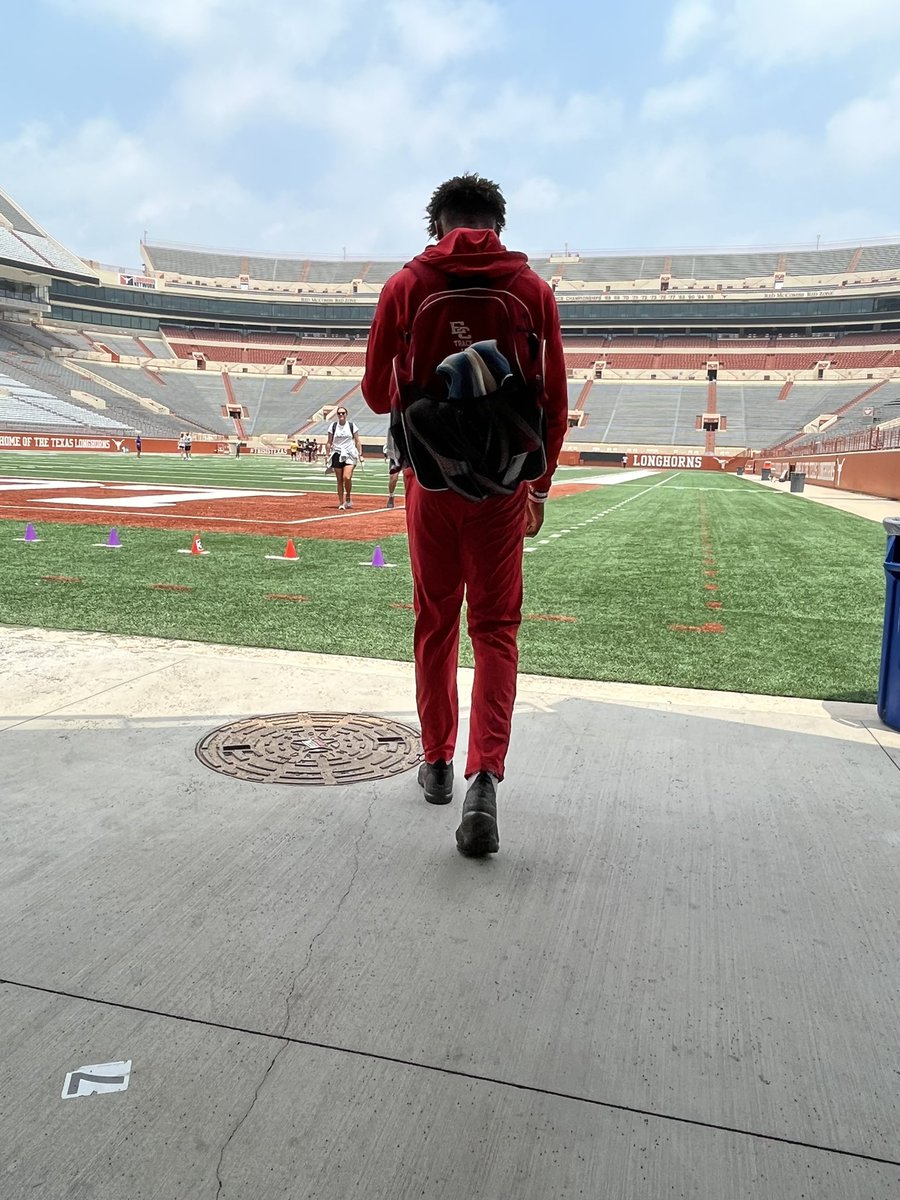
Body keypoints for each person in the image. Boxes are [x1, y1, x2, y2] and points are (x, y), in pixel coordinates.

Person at [362, 173, 567, 856]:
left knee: (435, 623)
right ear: (497, 226)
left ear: (437, 224)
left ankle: (438, 762)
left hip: (431, 485)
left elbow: (370, 392)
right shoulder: (532, 290)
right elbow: (553, 402)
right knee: (497, 630)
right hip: (502, 490)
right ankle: (485, 776)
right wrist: (537, 486)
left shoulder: (405, 284)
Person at [325, 407, 363, 509]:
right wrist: (327, 454)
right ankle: (341, 503)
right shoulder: (333, 426)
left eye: (343, 413)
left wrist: (360, 454)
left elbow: (357, 440)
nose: (341, 415)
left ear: (346, 414)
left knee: (347, 477)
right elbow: (329, 442)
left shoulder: (351, 426)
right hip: (337, 453)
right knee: (339, 480)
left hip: (350, 454)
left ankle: (348, 496)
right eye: (339, 413)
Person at [384, 427, 401, 509]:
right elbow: (389, 441)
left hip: (408, 455)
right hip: (395, 456)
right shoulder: (392, 427)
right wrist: (386, 451)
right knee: (393, 478)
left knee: (408, 478)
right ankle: (391, 496)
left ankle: (409, 498)